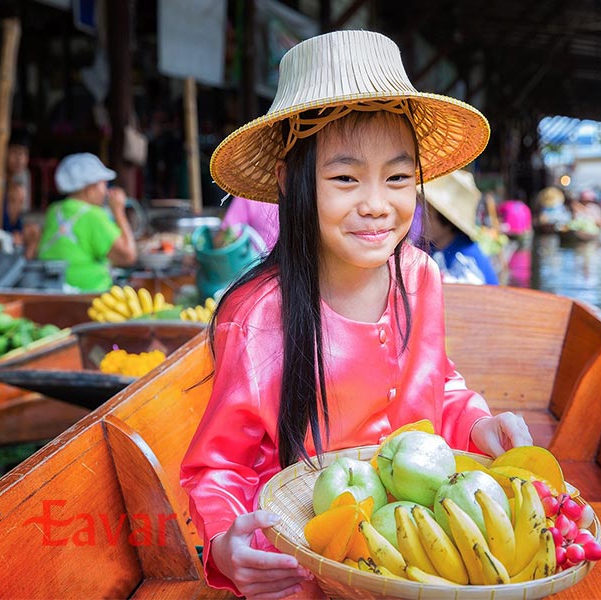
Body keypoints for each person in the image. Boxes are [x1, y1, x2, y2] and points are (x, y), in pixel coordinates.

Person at [180, 30, 532, 599]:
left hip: (416, 542)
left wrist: (476, 424)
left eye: (397, 178)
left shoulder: (419, 275)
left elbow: (440, 386)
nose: (376, 203)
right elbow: (218, 467)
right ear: (291, 182)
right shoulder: (258, 313)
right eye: (345, 178)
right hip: (302, 557)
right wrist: (225, 545)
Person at [37, 153, 137, 291]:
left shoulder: (53, 210)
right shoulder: (93, 215)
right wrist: (119, 212)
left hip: (53, 291)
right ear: (90, 188)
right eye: (103, 184)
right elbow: (128, 256)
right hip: (89, 295)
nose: (106, 191)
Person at [422, 170, 499, 285]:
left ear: (447, 221)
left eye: (429, 215)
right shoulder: (431, 248)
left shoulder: (466, 258)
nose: (422, 219)